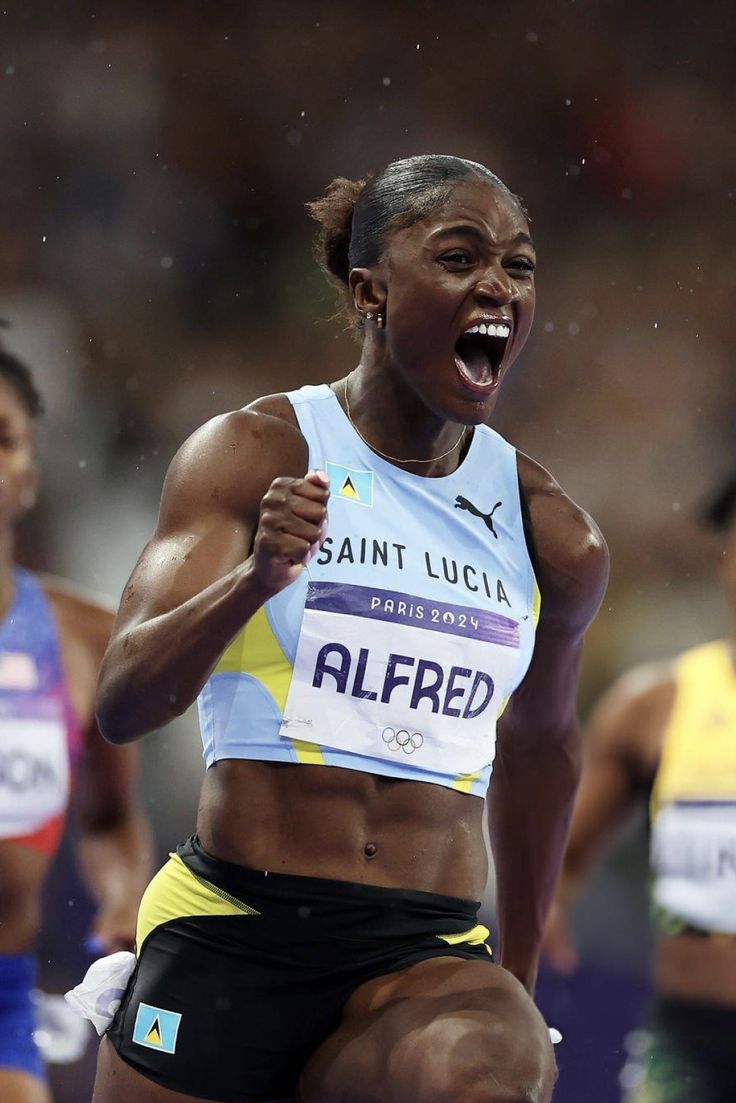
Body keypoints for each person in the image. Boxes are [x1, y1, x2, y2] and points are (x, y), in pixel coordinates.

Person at [90, 154, 608, 1103]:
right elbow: (124, 699)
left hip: (423, 958)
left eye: (519, 265)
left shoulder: (553, 535)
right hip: (233, 928)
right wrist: (256, 580)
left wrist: (521, 986)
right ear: (369, 291)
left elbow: (542, 751)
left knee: (482, 1079)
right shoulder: (254, 452)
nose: (497, 283)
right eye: (460, 257)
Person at [543, 475, 736, 1102]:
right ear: (725, 556)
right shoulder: (653, 707)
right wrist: (546, 911)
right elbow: (557, 860)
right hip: (689, 1043)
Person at [0, 336, 152, 1103]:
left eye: (2, 437)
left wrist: (124, 894)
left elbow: (107, 818)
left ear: (30, 471)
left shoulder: (84, 636)